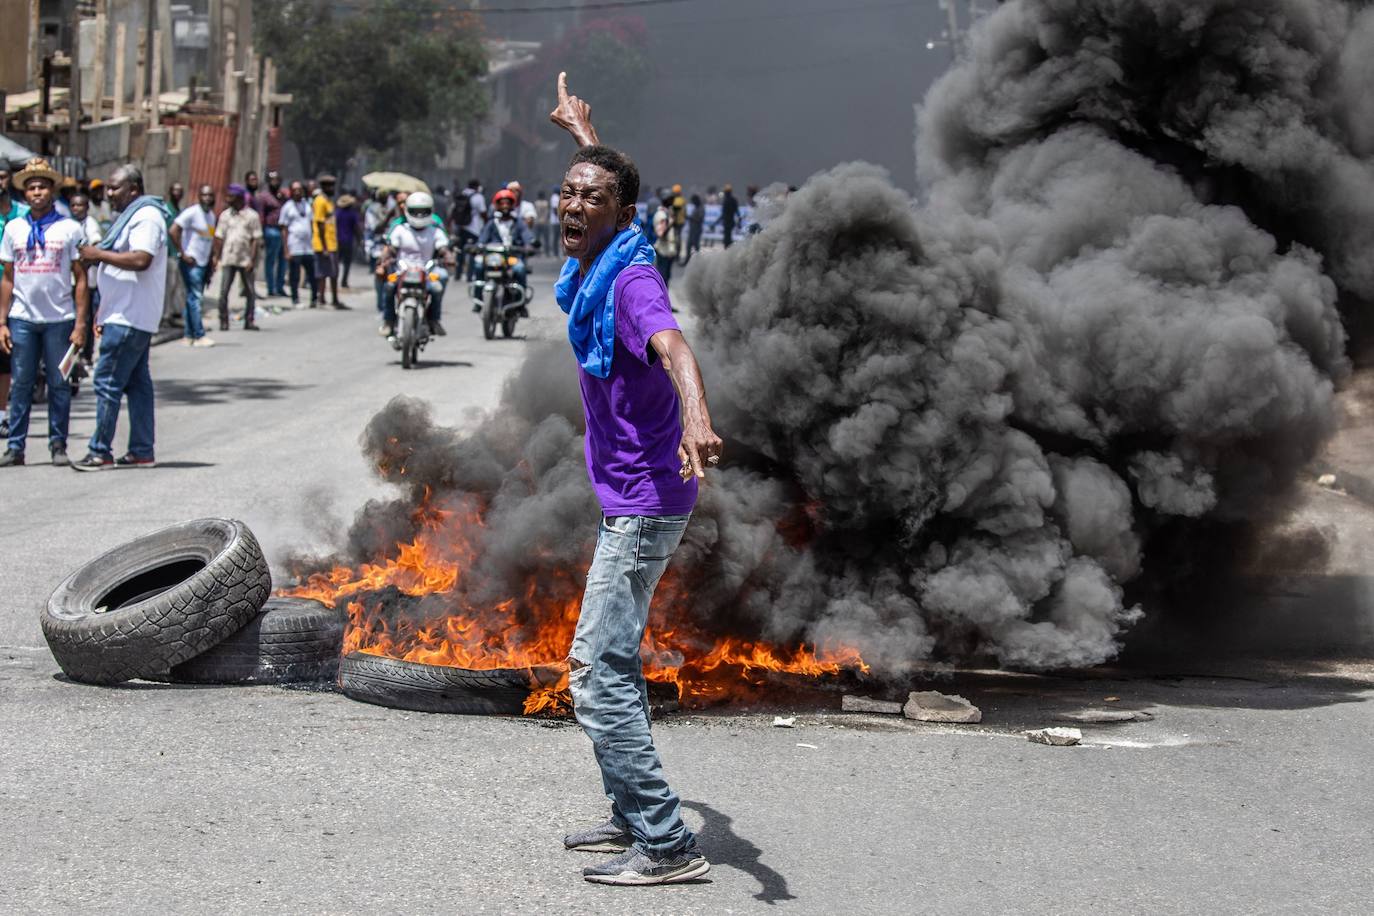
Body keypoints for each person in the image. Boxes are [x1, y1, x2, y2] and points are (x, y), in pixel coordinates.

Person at [548, 72, 722, 886]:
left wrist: (694, 413)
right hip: (634, 495)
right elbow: (607, 185)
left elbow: (675, 347)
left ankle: (666, 843)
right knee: (603, 662)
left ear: (619, 217)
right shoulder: (621, 242)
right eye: (568, 193)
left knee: (598, 669)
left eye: (592, 197)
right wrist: (586, 136)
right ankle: (628, 815)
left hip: (649, 500)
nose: (574, 204)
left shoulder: (630, 280)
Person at [74, 164, 167, 470]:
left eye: (115, 188)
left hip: (130, 316)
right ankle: (142, 450)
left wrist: (97, 254)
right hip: (123, 313)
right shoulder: (131, 217)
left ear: (134, 190)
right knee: (137, 384)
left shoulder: (147, 217)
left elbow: (141, 259)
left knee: (107, 381)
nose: (109, 193)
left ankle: (100, 451)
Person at [0, 158, 89, 467]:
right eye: (31, 187)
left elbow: (81, 278)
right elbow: (8, 277)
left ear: (52, 191)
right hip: (22, 317)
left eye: (42, 187)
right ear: (25, 194)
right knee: (21, 383)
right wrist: (2, 321)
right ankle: (15, 446)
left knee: (59, 382)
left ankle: (58, 444)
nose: (37, 192)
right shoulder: (14, 228)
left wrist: (80, 323)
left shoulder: (69, 228)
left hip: (59, 319)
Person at [378, 190, 452, 339]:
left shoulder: (434, 231)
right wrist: (383, 261)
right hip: (402, 271)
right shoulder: (400, 229)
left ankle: (433, 319)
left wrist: (449, 257)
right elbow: (391, 248)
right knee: (388, 286)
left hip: (426, 271)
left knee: (439, 284)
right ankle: (388, 321)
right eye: (415, 211)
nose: (419, 216)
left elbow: (443, 248)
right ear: (407, 211)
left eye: (422, 212)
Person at [169, 184, 216, 346]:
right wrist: (183, 253)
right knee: (196, 298)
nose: (207, 199)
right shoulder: (192, 212)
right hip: (191, 262)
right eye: (204, 195)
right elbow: (173, 230)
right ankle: (199, 335)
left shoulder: (211, 216)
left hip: (203, 263)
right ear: (199, 196)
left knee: (191, 298)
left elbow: (209, 242)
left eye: (210, 195)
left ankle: (188, 335)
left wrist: (211, 263)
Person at [0, 167, 28, 437]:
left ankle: (3, 415)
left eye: (2, 176)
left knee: (7, 358)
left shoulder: (22, 215)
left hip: (16, 293)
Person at [212, 183, 263, 331]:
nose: (228, 199)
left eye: (231, 196)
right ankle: (223, 320)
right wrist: (216, 257)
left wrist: (252, 260)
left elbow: (256, 239)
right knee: (223, 291)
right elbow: (219, 237)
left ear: (239, 198)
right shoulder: (225, 215)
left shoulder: (252, 216)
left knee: (250, 292)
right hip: (229, 258)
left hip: (245, 259)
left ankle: (249, 320)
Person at [476, 189, 534, 303]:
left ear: (512, 204)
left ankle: (520, 301)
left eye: (507, 203)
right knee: (478, 266)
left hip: (512, 257)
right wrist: (477, 246)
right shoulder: (492, 223)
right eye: (502, 203)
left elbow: (527, 236)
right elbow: (482, 238)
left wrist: (529, 245)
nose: (505, 206)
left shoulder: (518, 223)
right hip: (494, 257)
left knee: (520, 268)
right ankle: (478, 298)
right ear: (497, 205)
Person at [280, 181, 316, 307]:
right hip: (294, 245)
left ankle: (314, 299)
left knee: (312, 274)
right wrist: (286, 249)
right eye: (295, 189)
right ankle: (295, 299)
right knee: (294, 274)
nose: (297, 192)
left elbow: (311, 224)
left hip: (308, 246)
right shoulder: (287, 207)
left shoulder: (307, 205)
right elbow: (283, 229)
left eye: (300, 189)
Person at [253, 170, 287, 298]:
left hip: (282, 230)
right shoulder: (264, 197)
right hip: (270, 230)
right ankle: (271, 287)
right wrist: (261, 235)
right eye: (273, 180)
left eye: (278, 180)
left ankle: (280, 286)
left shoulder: (281, 196)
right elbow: (261, 216)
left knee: (283, 261)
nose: (276, 182)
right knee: (271, 260)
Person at [312, 173, 343, 308]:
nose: (333, 188)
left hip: (332, 243)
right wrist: (324, 247)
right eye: (330, 186)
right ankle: (321, 299)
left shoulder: (329, 201)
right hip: (323, 244)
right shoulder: (320, 201)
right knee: (323, 274)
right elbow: (319, 224)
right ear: (325, 186)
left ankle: (334, 299)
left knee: (334, 273)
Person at [334, 190, 361, 289]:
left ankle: (335, 280)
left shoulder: (337, 213)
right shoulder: (352, 214)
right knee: (347, 263)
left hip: (337, 240)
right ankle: (344, 281)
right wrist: (359, 240)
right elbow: (356, 228)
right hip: (348, 241)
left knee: (337, 262)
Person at [651, 193, 677, 286]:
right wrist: (670, 223)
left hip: (669, 250)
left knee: (667, 277)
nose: (673, 202)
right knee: (662, 276)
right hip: (663, 250)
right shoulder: (661, 215)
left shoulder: (667, 213)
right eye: (671, 200)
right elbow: (661, 233)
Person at [714, 184, 739, 248]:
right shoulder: (734, 200)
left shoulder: (726, 201)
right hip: (731, 222)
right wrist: (739, 222)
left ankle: (728, 252)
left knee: (727, 240)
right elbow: (737, 212)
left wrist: (716, 222)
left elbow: (723, 214)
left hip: (727, 222)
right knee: (729, 238)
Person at [683, 194, 704, 265]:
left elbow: (700, 219)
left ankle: (699, 261)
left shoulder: (701, 208)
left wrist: (690, 218)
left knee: (696, 245)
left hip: (697, 229)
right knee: (688, 245)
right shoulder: (696, 207)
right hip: (692, 229)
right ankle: (687, 260)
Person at [547, 186, 560, 257]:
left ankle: (556, 252)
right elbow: (555, 209)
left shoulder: (554, 197)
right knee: (556, 238)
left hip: (555, 221)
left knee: (556, 238)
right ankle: (556, 253)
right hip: (556, 221)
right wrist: (559, 217)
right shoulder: (555, 197)